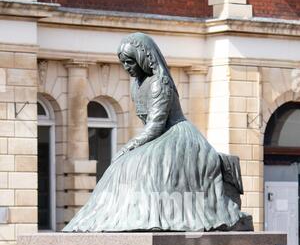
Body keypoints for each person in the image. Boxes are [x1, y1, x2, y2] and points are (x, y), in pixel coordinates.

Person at [63, 32, 253, 232]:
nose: (126, 67)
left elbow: (156, 124)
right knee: (123, 166)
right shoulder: (137, 84)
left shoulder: (159, 83)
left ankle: (152, 216)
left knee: (144, 166)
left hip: (177, 135)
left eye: (129, 62)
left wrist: (130, 146)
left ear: (142, 59)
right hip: (160, 135)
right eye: (123, 63)